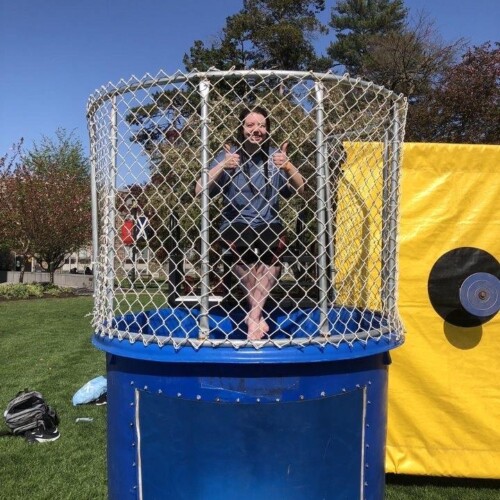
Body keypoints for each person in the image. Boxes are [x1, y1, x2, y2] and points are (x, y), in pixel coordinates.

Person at [195, 106, 304, 339]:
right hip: (236, 220)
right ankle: (255, 316)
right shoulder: (229, 155)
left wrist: (287, 166)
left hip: (268, 220)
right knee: (244, 250)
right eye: (251, 125)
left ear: (268, 130)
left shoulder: (276, 157)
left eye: (262, 125)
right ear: (241, 128)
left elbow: (301, 187)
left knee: (272, 254)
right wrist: (222, 165)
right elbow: (199, 189)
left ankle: (253, 315)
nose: (257, 130)